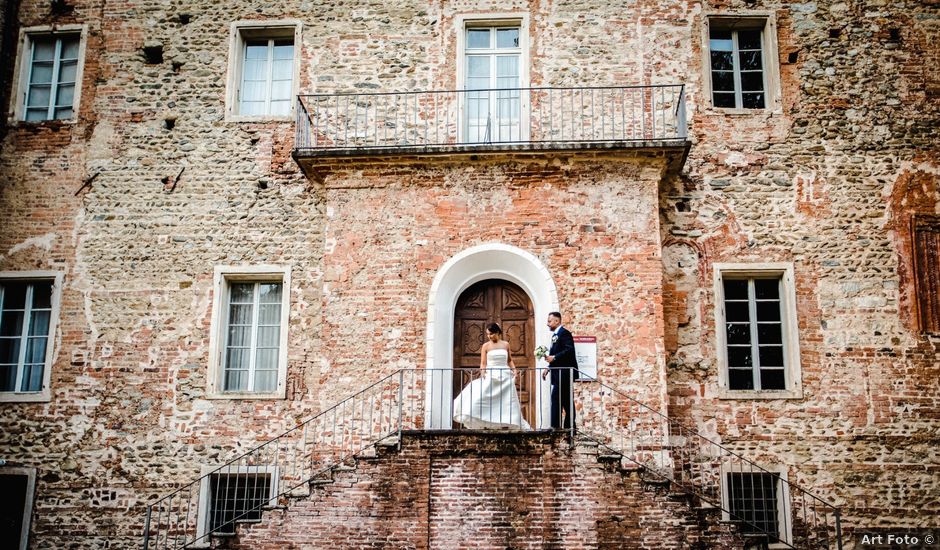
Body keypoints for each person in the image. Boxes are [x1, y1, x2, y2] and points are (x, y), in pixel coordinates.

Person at [453, 323, 531, 430]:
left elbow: (510, 360)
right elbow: (483, 363)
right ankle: (482, 418)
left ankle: (507, 421)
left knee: (506, 400)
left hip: (505, 375)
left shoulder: (505, 344)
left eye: (491, 334)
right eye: (488, 334)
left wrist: (514, 370)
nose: (489, 336)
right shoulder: (486, 346)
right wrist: (483, 372)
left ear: (498, 332)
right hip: (491, 374)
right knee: (483, 397)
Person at [541, 311, 579, 429]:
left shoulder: (564, 333)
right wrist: (549, 367)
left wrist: (555, 357)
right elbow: (555, 354)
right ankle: (569, 426)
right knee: (566, 400)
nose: (547, 324)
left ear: (557, 321)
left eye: (549, 321)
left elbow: (569, 350)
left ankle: (556, 427)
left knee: (557, 398)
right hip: (558, 373)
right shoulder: (555, 335)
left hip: (565, 373)